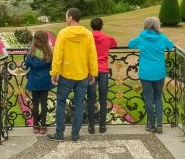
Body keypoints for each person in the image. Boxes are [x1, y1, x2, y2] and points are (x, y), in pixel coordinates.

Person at [48, 8, 98, 142]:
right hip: (82, 74)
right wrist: (93, 72)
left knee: (61, 102)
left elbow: (58, 55)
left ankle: (60, 133)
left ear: (70, 18)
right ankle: (75, 134)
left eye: (66, 17)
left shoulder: (64, 33)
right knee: (80, 104)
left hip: (66, 74)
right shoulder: (87, 34)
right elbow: (92, 55)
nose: (66, 19)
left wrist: (54, 72)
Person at [128, 17, 174, 133]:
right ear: (157, 26)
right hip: (159, 72)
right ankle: (160, 124)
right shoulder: (162, 38)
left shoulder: (141, 37)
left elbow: (130, 44)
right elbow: (171, 46)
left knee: (148, 98)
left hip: (145, 73)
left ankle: (151, 125)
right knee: (158, 98)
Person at [89, 17, 117, 134]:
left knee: (91, 99)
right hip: (103, 70)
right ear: (101, 26)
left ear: (91, 26)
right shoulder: (107, 38)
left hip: (91, 70)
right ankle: (102, 126)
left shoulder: (88, 37)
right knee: (103, 98)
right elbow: (114, 44)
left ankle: (91, 126)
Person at [25, 30, 54, 134]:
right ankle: (43, 125)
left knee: (35, 104)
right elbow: (52, 65)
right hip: (45, 81)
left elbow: (26, 64)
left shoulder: (32, 52)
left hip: (34, 81)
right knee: (44, 103)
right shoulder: (49, 52)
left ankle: (35, 125)